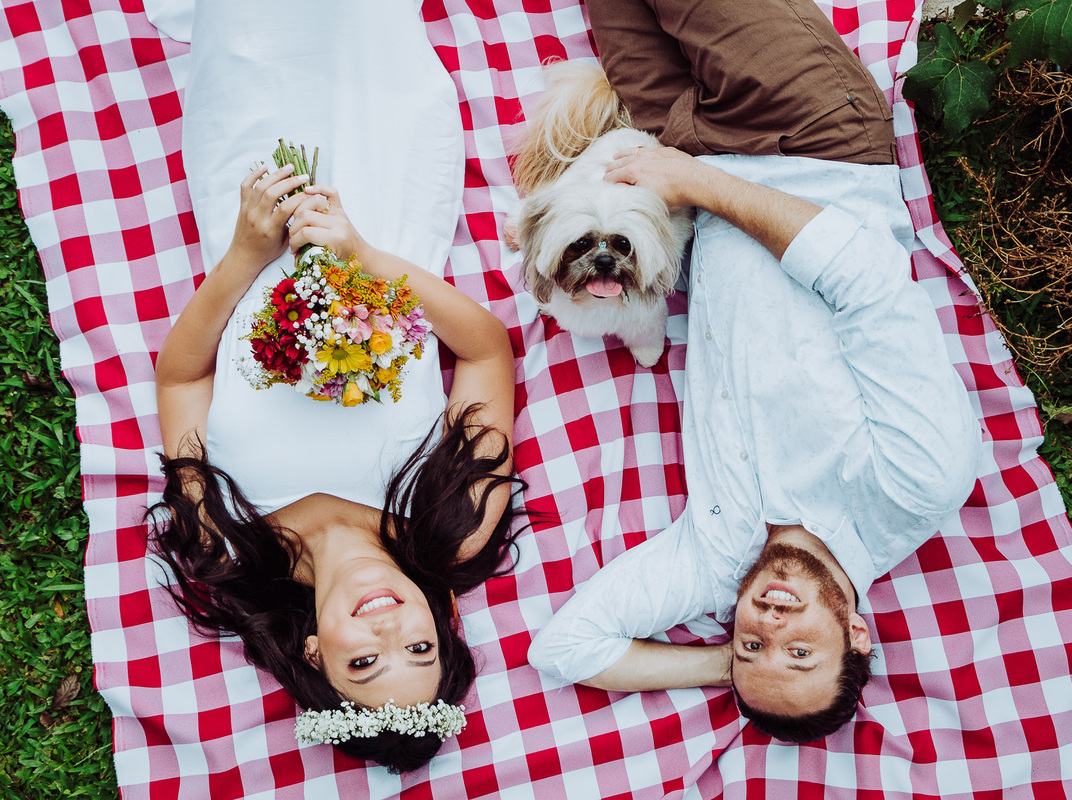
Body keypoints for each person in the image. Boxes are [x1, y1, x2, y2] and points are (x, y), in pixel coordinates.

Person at [526, 0, 982, 743]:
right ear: (858, 634)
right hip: (808, 141)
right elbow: (861, 274)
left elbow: (569, 649)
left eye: (752, 645)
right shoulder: (915, 486)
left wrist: (723, 667)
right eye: (798, 651)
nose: (769, 623)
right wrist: (697, 184)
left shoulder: (713, 559)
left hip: (683, 162)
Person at [144, 2, 519, 774]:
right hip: (381, 205)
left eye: (363, 666)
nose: (386, 632)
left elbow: (183, 375)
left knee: (240, 31)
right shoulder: (456, 524)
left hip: (249, 209)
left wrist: (249, 251)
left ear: (314, 656)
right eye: (418, 648)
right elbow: (485, 352)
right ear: (442, 619)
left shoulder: (223, 542)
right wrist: (361, 249)